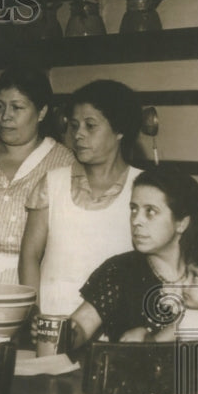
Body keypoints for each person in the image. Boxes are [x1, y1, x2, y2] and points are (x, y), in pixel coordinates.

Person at [20, 79, 143, 317]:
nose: (78, 135)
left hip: (116, 322)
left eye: (90, 126)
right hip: (52, 317)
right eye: (74, 125)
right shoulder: (52, 183)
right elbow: (30, 255)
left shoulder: (143, 188)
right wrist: (33, 311)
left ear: (120, 129)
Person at [64, 165, 198, 350]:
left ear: (181, 223)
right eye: (134, 209)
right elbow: (81, 326)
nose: (136, 220)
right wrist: (62, 333)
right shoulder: (120, 270)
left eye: (150, 211)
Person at [0, 66, 74, 284]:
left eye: (17, 107)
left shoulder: (64, 164)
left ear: (42, 112)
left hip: (35, 284)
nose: (5, 117)